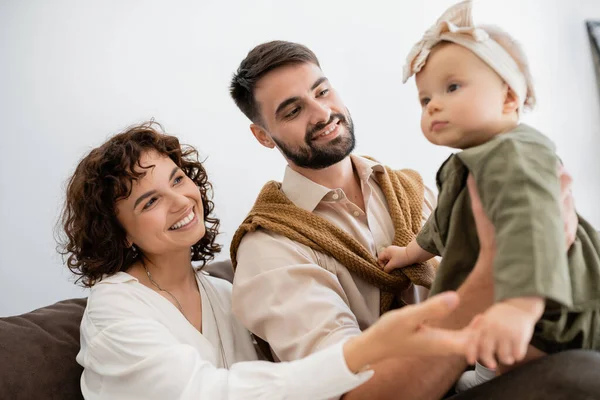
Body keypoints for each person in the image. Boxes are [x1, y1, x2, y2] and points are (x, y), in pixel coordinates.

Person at [228, 39, 586, 398]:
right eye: (293, 111)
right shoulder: (270, 249)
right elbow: (355, 391)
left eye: (322, 91)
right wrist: (491, 278)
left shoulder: (415, 192)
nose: (321, 113)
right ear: (263, 136)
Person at [58, 122, 480, 400]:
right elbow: (203, 393)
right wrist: (358, 354)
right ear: (119, 232)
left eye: (177, 179)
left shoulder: (226, 294)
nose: (180, 201)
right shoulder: (113, 308)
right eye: (150, 200)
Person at [381, 0, 600, 389]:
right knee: (496, 355)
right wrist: (412, 253)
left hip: (551, 309)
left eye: (452, 87)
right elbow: (443, 221)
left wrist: (520, 306)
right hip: (507, 309)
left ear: (509, 99)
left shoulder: (516, 152)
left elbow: (532, 225)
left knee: (528, 359)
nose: (435, 105)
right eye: (425, 99)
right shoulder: (469, 162)